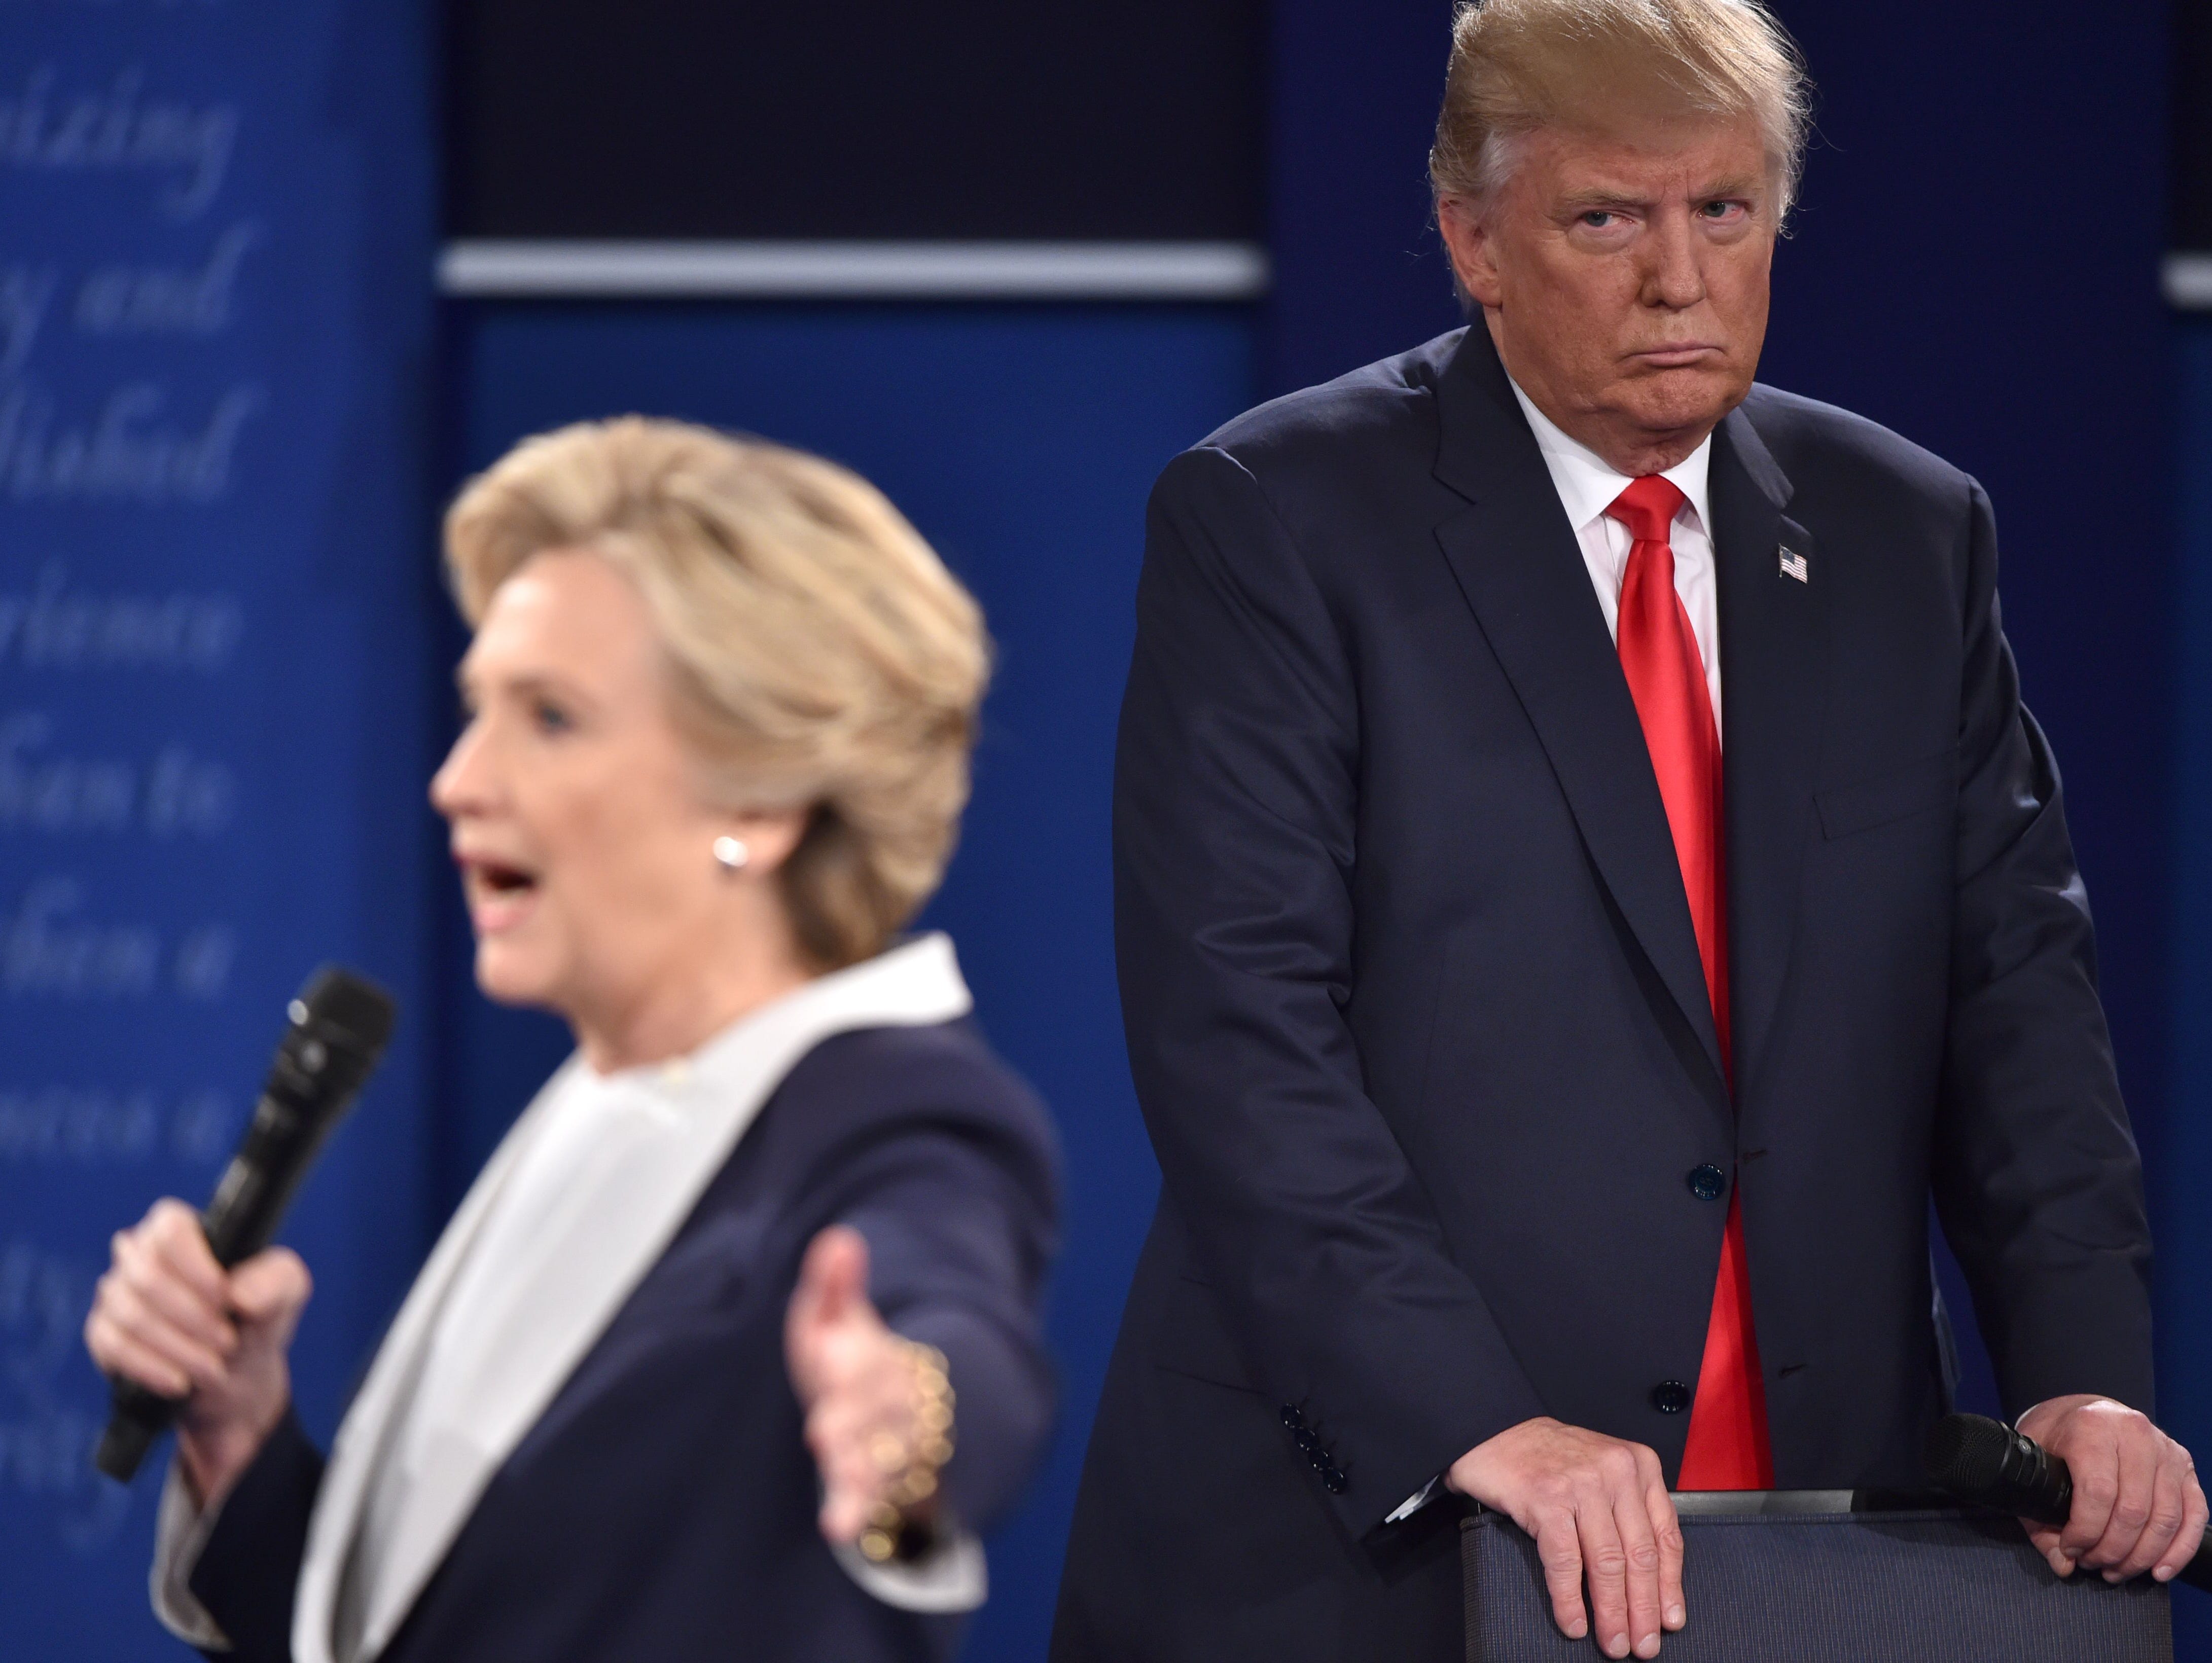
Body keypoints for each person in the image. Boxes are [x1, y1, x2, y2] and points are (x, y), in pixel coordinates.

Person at [1051, 2, 2203, 1659]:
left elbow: (2017, 994)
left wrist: (2081, 1376)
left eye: (1722, 212)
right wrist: (1475, 1417)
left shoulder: (1907, 534)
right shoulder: (1278, 524)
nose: (1680, 279)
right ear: (1475, 240)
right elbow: (1239, 1037)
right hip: (1376, 1550)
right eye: (1609, 218)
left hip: (1818, 1544)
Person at [84, 418, 1060, 1663]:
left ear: (758, 800)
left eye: (548, 717)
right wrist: (238, 1433)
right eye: (474, 707)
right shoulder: (599, 1103)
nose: (457, 779)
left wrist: (907, 1422)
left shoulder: (899, 1110)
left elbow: (955, 1316)